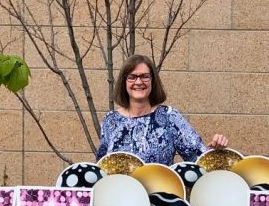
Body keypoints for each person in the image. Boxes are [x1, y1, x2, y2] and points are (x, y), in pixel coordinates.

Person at [95, 54, 229, 166]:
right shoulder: (110, 120)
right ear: (124, 82)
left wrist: (215, 149)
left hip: (159, 196)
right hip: (119, 196)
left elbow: (198, 158)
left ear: (153, 81)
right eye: (132, 77)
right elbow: (101, 166)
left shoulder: (169, 117)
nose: (138, 82)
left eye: (144, 76)